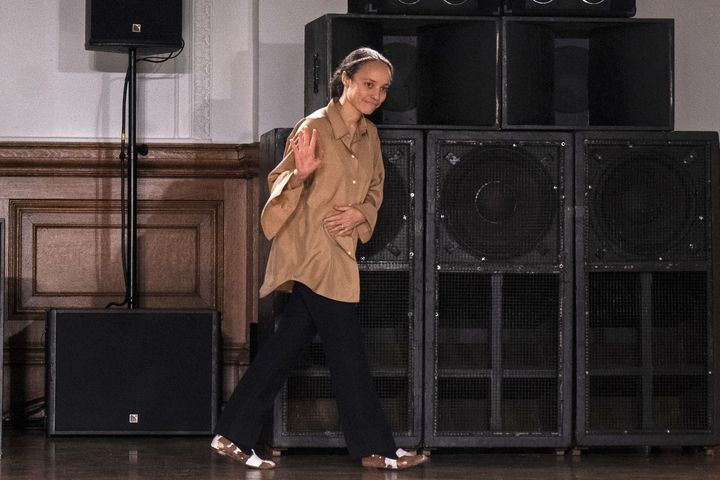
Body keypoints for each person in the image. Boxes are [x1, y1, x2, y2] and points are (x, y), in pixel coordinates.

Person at [210, 48, 428, 471]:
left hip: (339, 255)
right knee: (348, 354)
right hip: (312, 253)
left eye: (383, 88)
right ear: (344, 80)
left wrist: (360, 213)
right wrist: (303, 172)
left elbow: (376, 191)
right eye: (369, 84)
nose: (377, 95)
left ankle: (231, 434)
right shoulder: (312, 127)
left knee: (285, 348)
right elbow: (278, 186)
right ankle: (376, 448)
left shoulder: (371, 136)